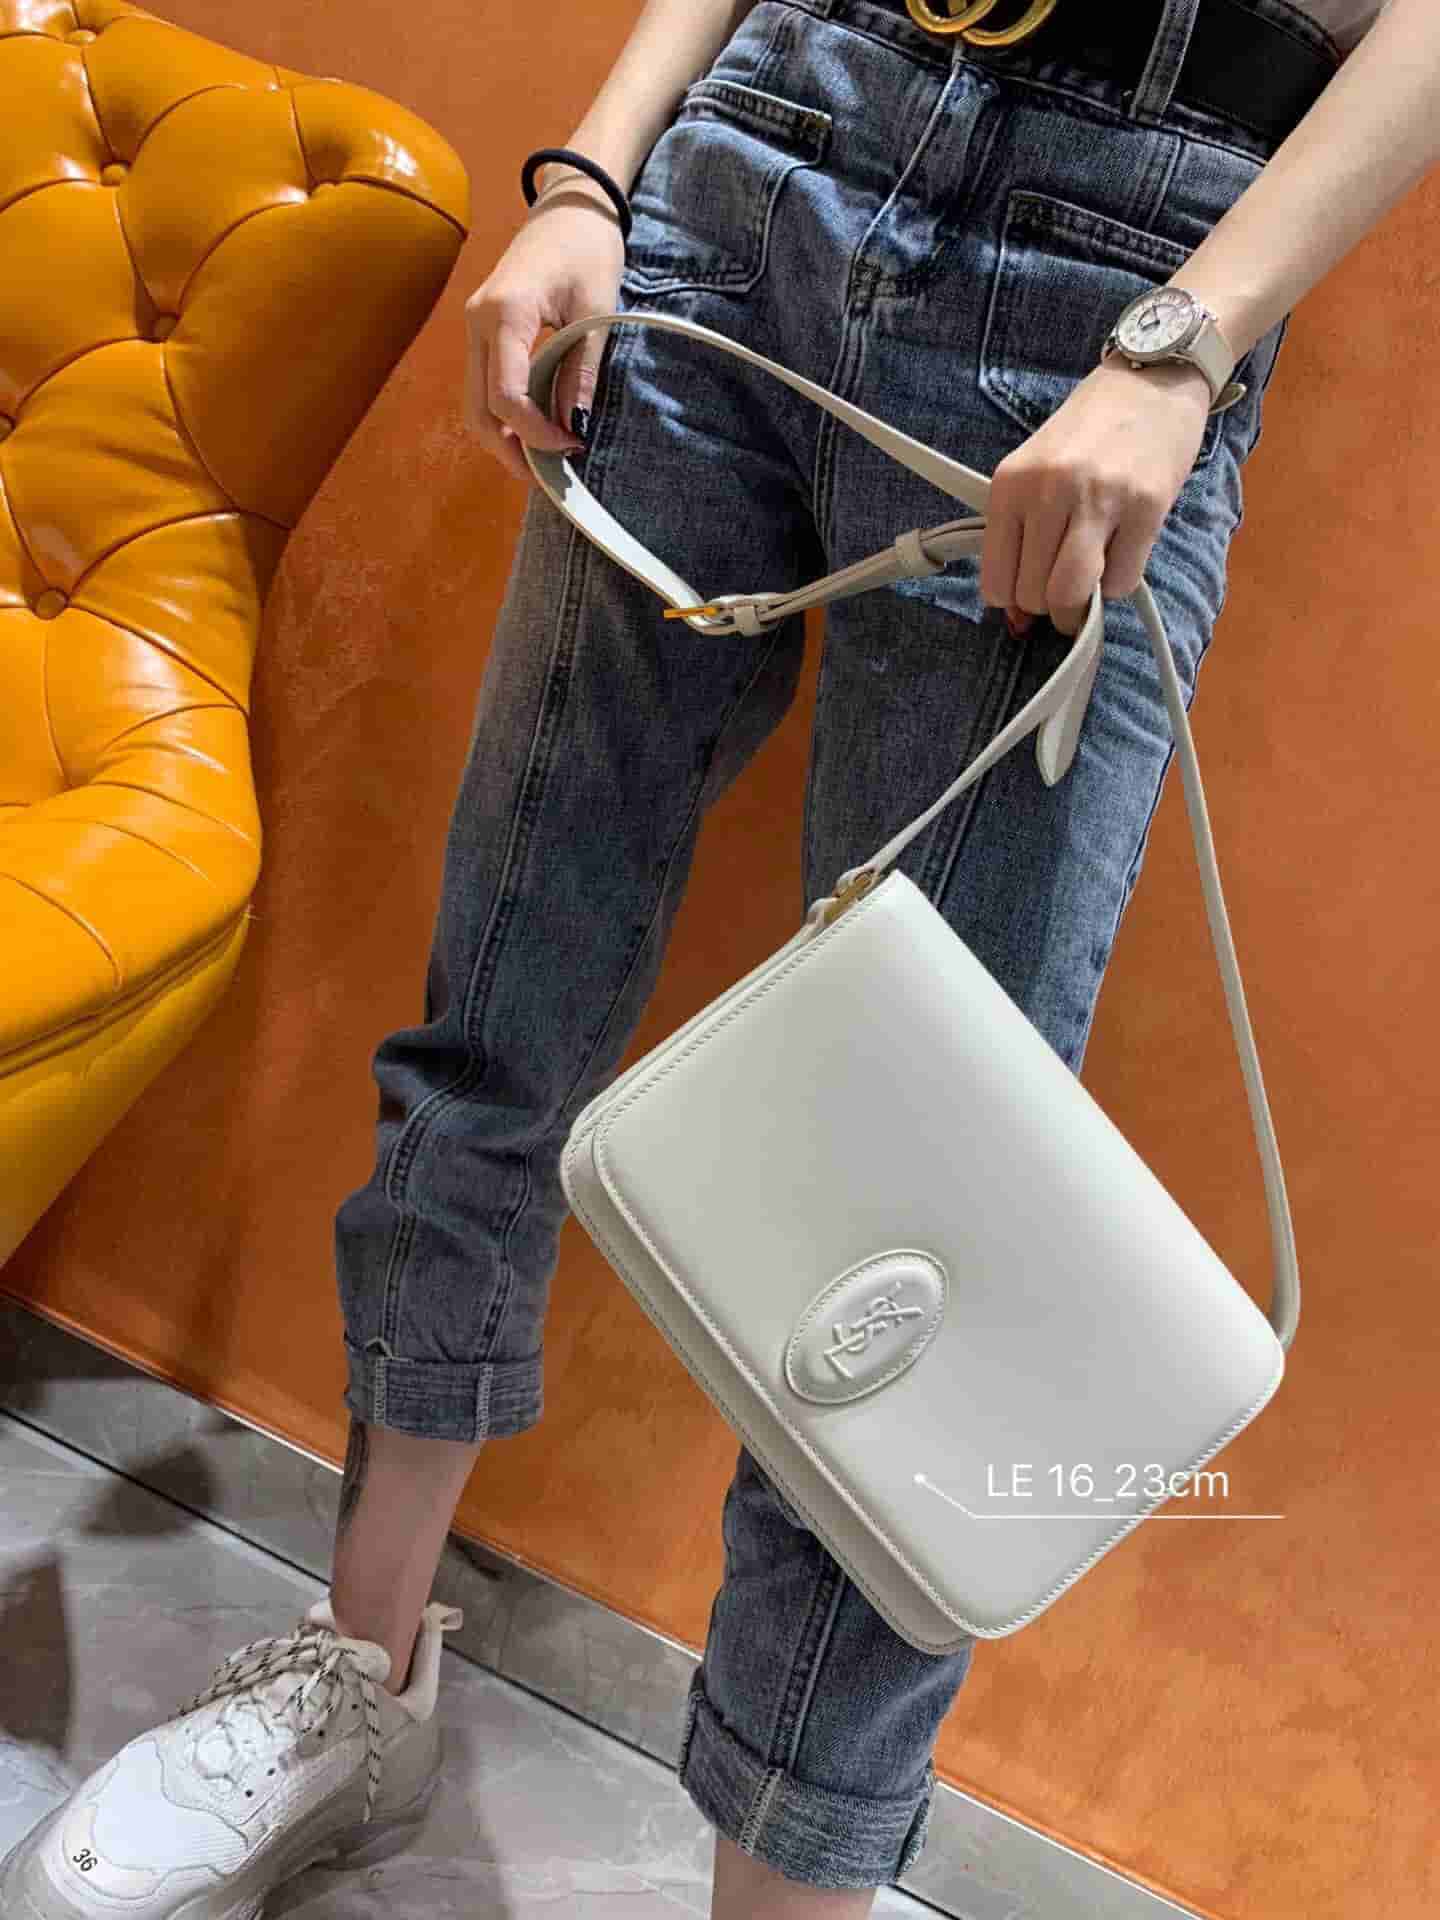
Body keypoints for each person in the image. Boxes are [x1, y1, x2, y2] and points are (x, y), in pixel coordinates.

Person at [5, 0, 1421, 1913]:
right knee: (501, 1006)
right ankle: (360, 1666)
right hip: (754, 165)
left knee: (915, 1242)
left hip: (1121, 261)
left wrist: (1187, 343)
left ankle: (786, 1884)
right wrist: (594, 174)